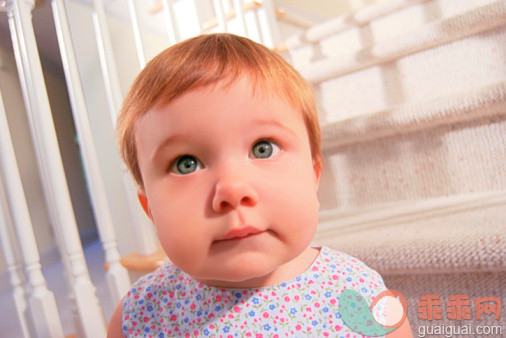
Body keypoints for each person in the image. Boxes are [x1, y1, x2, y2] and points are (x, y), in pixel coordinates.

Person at [107, 33, 411, 337]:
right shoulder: (140, 316)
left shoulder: (357, 295)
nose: (232, 190)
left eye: (263, 148)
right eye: (186, 164)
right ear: (150, 209)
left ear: (314, 175)